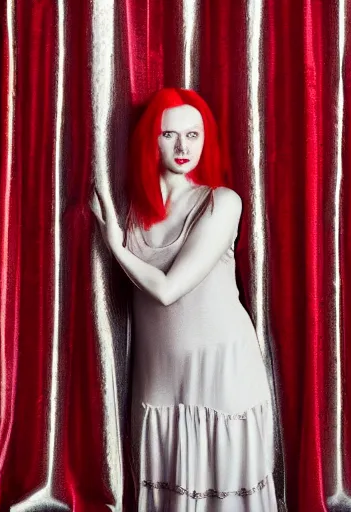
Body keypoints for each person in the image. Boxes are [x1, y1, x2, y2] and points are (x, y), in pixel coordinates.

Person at [90, 88, 277, 511]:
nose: (182, 147)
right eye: (170, 134)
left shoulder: (221, 202)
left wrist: (115, 247)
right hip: (159, 375)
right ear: (150, 140)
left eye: (193, 135)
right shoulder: (133, 210)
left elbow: (167, 290)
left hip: (220, 370)